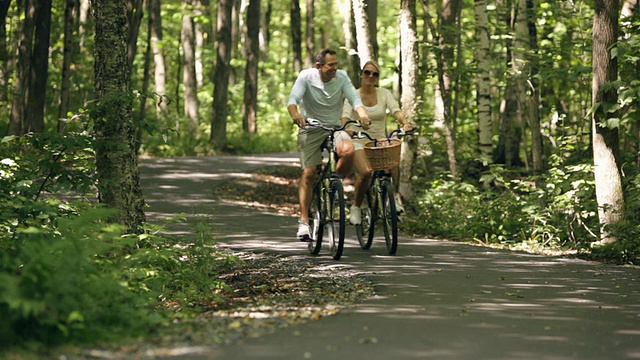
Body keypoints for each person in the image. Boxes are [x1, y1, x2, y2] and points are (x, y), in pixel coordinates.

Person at [287, 48, 371, 241]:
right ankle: (304, 222)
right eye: (330, 64)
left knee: (348, 150)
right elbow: (293, 100)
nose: (335, 67)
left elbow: (354, 98)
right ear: (319, 66)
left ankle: (335, 182)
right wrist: (296, 115)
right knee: (309, 173)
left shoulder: (341, 77)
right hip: (311, 128)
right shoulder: (306, 77)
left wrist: (363, 113)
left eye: (336, 64)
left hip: (334, 127)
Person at [341, 60, 415, 225]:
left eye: (375, 74)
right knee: (366, 173)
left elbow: (396, 110)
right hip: (359, 139)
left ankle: (393, 198)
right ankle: (356, 207)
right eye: (367, 72)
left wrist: (405, 123)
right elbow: (345, 115)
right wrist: (346, 127)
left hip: (379, 140)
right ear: (361, 75)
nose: (370, 76)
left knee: (393, 165)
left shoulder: (383, 93)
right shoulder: (353, 95)